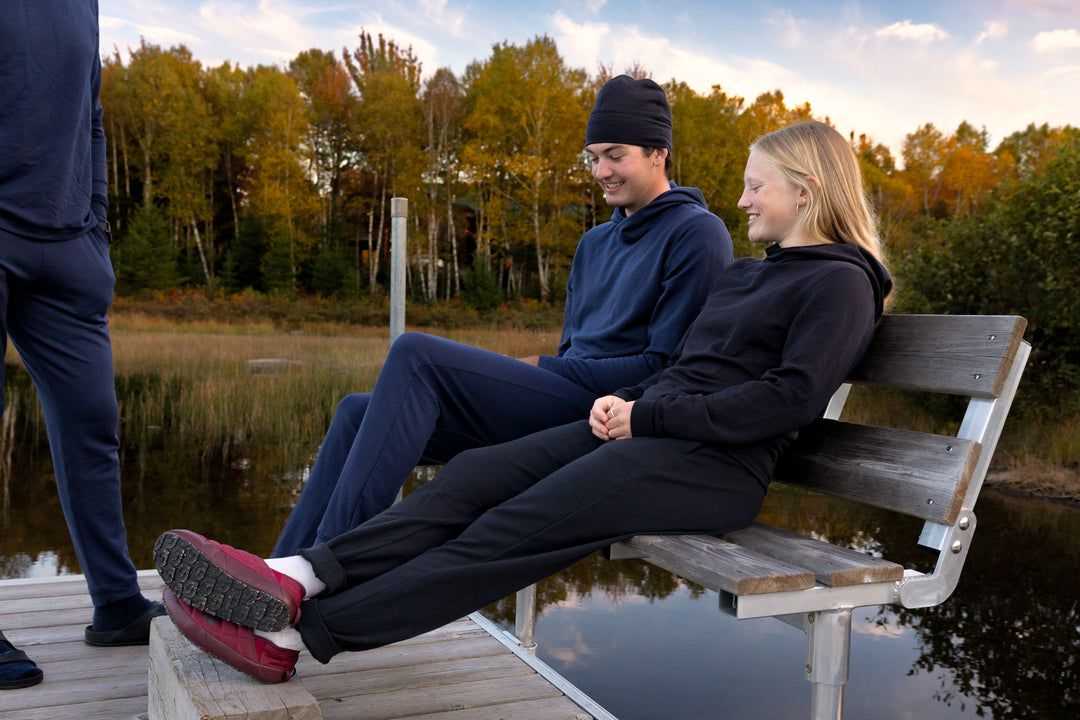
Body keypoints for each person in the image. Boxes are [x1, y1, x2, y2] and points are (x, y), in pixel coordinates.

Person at [153, 120, 892, 684]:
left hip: (717, 466)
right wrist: (622, 402)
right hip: (656, 435)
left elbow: (789, 399)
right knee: (474, 477)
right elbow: (690, 369)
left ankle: (298, 635)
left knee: (512, 528)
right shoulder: (750, 275)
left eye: (755, 185)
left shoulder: (841, 282)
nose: (742, 199)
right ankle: (297, 575)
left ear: (807, 189)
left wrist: (649, 416)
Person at [271, 74, 733, 556]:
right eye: (594, 157)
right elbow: (572, 350)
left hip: (609, 420)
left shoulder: (697, 234)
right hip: (560, 401)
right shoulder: (593, 243)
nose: (601, 171)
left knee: (418, 355)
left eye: (616, 155)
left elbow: (665, 370)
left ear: (658, 152)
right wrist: (548, 369)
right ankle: (277, 571)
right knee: (354, 412)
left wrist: (544, 368)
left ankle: (324, 568)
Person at [0, 0, 165, 690]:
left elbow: (90, 111)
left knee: (94, 425)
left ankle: (117, 603)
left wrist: (95, 221)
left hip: (68, 245)